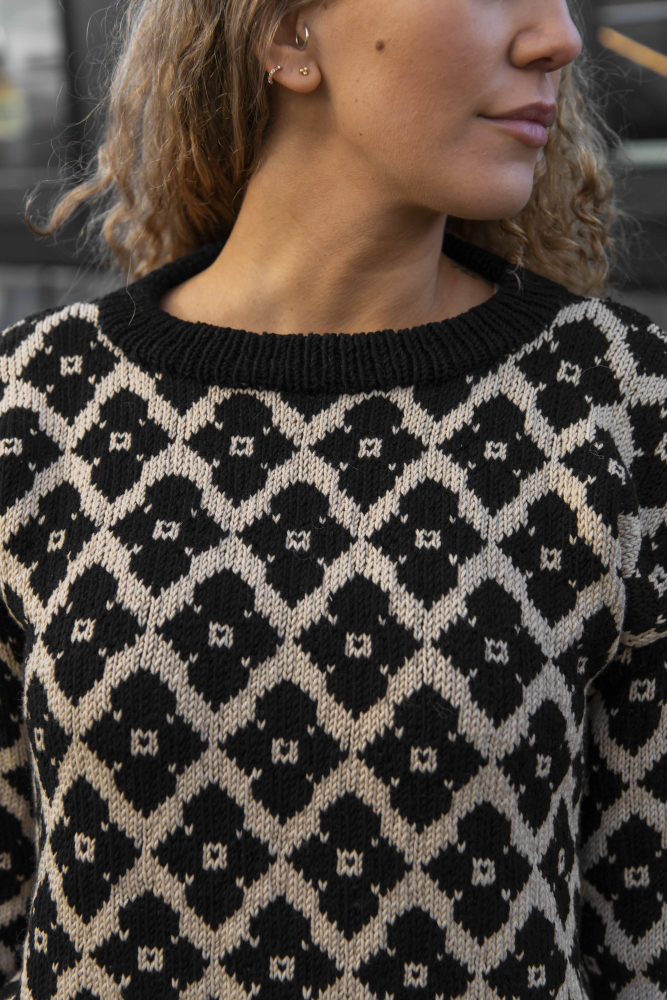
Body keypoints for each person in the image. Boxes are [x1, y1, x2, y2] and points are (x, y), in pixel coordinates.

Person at [0, 0, 665, 996]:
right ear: (286, 36)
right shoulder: (36, 407)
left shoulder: (621, 411)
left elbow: (645, 940)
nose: (559, 37)